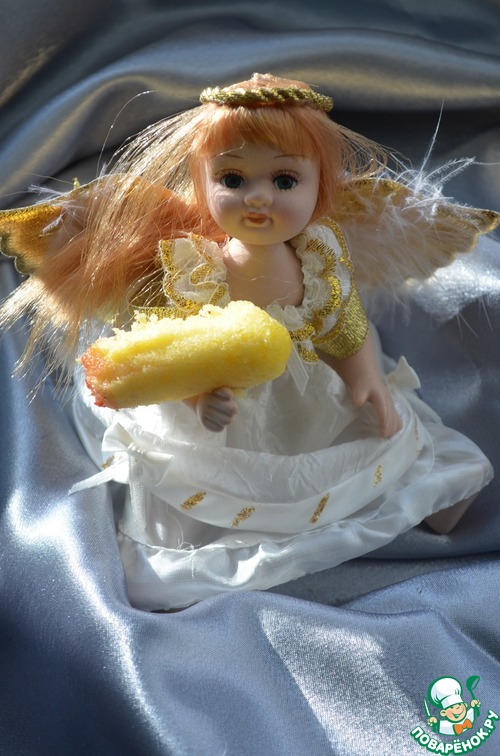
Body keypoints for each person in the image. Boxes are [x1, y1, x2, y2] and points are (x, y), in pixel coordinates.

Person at [0, 73, 498, 610]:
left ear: (321, 187)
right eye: (233, 179)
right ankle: (206, 557)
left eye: (285, 181)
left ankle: (429, 502)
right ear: (202, 182)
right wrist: (197, 395)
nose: (258, 197)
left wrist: (367, 377)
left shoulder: (316, 258)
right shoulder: (194, 270)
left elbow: (342, 324)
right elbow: (173, 348)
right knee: (208, 486)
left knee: (381, 442)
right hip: (225, 406)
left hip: (303, 392)